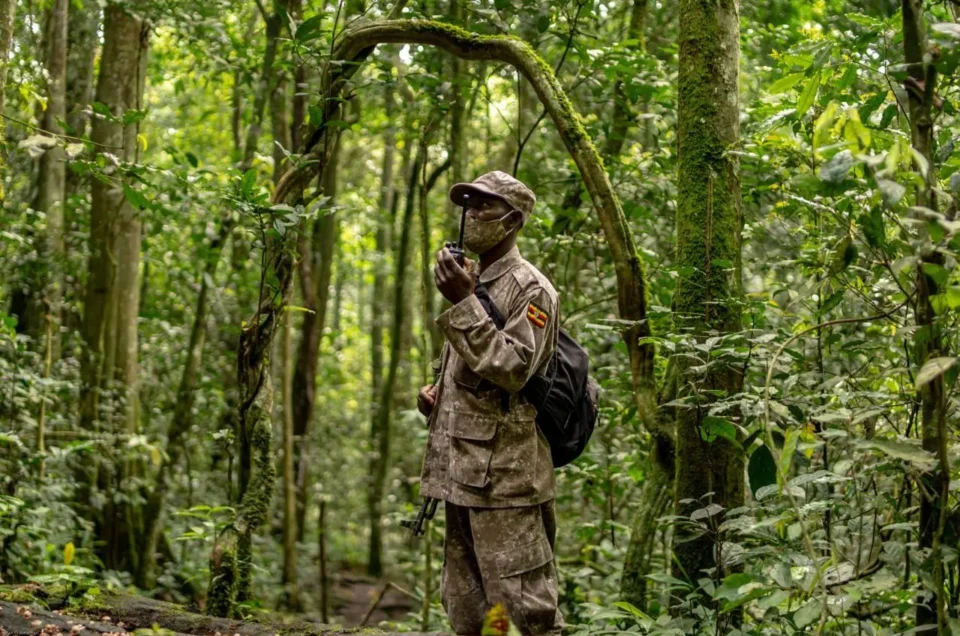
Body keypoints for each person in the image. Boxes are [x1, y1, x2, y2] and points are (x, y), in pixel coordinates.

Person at [416, 170, 562, 635]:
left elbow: (514, 367)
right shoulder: (473, 278)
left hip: (507, 482)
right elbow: (474, 374)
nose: (471, 215)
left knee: (524, 610)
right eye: (467, 205)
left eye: (483, 206)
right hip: (460, 473)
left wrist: (462, 301)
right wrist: (437, 398)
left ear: (513, 220)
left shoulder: (531, 289)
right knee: (466, 611)